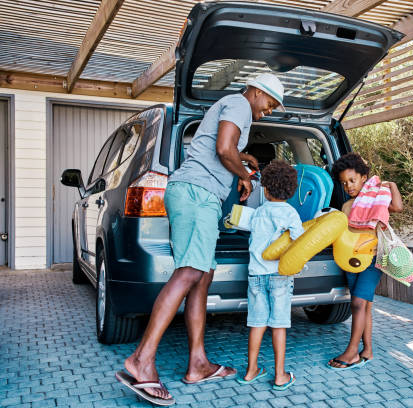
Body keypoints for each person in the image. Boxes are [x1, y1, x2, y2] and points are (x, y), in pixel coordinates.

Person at [116, 73, 286, 406]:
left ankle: (197, 364)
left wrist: (246, 162)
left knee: (201, 278)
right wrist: (245, 177)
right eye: (268, 105)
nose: (266, 113)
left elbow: (226, 148)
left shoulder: (233, 107)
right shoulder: (238, 102)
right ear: (256, 91)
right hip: (198, 195)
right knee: (190, 273)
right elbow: (224, 148)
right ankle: (142, 358)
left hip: (196, 195)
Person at [327, 152, 403, 370]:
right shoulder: (347, 206)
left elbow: (397, 207)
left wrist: (392, 185)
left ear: (363, 177)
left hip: (372, 259)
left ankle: (351, 352)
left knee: (358, 304)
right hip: (351, 260)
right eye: (344, 183)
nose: (349, 186)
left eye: (352, 180)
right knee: (364, 306)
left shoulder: (376, 200)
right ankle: (367, 351)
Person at [236, 160, 304, 391]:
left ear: (264, 189)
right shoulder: (291, 213)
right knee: (279, 325)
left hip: (255, 275)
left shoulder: (258, 212)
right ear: (292, 191)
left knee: (256, 323)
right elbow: (300, 242)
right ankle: (279, 375)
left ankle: (251, 370)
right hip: (279, 277)